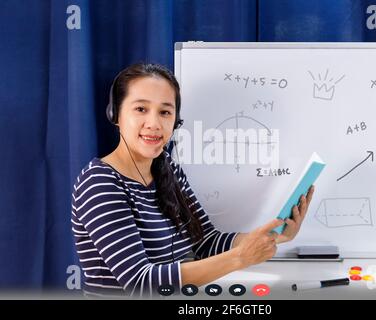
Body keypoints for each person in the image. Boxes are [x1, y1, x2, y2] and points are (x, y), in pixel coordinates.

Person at [71, 63, 314, 298]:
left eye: (165, 112)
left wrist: (271, 237)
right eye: (141, 109)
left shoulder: (169, 170)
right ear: (116, 115)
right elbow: (141, 284)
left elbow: (205, 242)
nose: (154, 124)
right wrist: (240, 257)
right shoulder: (100, 183)